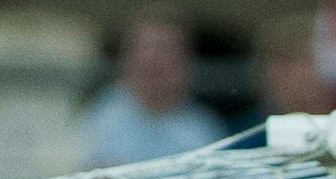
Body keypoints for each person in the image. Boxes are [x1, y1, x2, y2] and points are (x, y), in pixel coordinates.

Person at [79, 19, 228, 170]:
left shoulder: (203, 130)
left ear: (187, 65)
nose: (155, 58)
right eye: (145, 56)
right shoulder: (100, 118)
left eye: (166, 54)